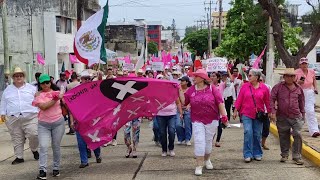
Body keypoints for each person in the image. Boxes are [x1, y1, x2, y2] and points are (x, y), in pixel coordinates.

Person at [179, 69, 229, 176]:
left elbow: (220, 103)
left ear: (202, 78)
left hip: (212, 119)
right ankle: (199, 165)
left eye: (196, 76)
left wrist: (224, 116)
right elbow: (184, 102)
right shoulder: (191, 90)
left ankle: (207, 159)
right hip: (197, 120)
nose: (193, 78)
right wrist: (179, 91)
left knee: (208, 142)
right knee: (199, 141)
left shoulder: (212, 89)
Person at [0, 67, 39, 165]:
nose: (19, 77)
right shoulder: (8, 90)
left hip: (31, 116)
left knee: (34, 134)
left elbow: (38, 100)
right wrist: (2, 113)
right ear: (13, 77)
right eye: (16, 76)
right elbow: (3, 102)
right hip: (13, 117)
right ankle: (19, 157)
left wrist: (40, 111)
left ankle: (34, 149)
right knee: (16, 137)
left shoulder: (31, 88)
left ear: (24, 77)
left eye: (20, 75)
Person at [233, 69, 271, 163]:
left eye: (250, 75)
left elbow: (267, 101)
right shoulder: (245, 87)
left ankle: (257, 153)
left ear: (256, 77)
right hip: (246, 113)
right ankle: (247, 154)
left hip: (259, 115)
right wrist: (235, 110)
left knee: (257, 133)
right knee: (248, 131)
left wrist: (270, 112)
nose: (248, 77)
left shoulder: (264, 88)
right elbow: (239, 99)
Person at [32, 74, 65, 179]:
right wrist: (55, 99)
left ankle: (56, 168)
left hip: (58, 123)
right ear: (40, 84)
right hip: (43, 125)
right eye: (43, 83)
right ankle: (42, 171)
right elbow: (43, 107)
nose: (46, 84)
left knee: (56, 147)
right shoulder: (37, 95)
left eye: (47, 82)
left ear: (50, 83)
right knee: (43, 147)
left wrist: (62, 96)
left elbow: (67, 103)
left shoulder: (58, 92)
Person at [270, 68, 305, 165]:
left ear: (295, 77)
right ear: (284, 77)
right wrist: (272, 111)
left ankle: (297, 156)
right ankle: (284, 154)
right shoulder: (278, 87)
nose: (290, 78)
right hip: (282, 115)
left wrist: (303, 114)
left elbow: (302, 102)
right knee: (283, 135)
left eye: (292, 76)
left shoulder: (298, 88)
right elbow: (271, 99)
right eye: (288, 76)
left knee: (297, 134)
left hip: (296, 116)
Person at [69, 71, 102, 168]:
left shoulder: (95, 90)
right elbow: (71, 107)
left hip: (93, 121)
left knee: (94, 140)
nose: (87, 80)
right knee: (81, 142)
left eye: (89, 78)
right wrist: (71, 121)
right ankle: (84, 161)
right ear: (81, 79)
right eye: (85, 78)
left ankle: (97, 155)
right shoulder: (75, 92)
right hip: (79, 121)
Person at [295, 57, 320, 137]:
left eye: (305, 64)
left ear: (307, 64)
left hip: (309, 92)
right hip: (299, 92)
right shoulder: (296, 72)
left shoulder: (312, 72)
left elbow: (314, 81)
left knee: (310, 111)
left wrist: (315, 88)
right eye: (302, 64)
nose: (304, 65)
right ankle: (295, 129)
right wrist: (298, 82)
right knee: (298, 111)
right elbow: (293, 83)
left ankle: (314, 130)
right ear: (300, 65)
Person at [176, 76, 192, 146]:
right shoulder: (178, 89)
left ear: (187, 82)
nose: (181, 82)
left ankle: (187, 139)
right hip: (179, 108)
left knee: (188, 124)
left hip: (188, 109)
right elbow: (177, 99)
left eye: (183, 81)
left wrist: (189, 105)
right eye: (180, 80)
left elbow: (193, 98)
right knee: (178, 124)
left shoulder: (191, 89)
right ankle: (180, 138)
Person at [210, 72, 224, 147]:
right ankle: (210, 139)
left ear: (218, 78)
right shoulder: (208, 86)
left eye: (214, 76)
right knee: (211, 124)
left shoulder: (221, 85)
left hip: (219, 106)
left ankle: (218, 140)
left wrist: (227, 69)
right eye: (211, 76)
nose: (212, 77)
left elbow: (229, 81)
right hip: (211, 107)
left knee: (219, 124)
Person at [260, 74, 272, 150]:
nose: (260, 81)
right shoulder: (254, 87)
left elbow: (271, 99)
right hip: (257, 111)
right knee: (256, 129)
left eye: (261, 80)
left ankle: (263, 143)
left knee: (266, 128)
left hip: (266, 111)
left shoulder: (268, 87)